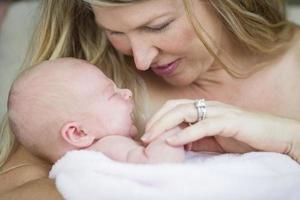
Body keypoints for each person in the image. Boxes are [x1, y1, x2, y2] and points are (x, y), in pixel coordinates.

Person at [0, 0, 300, 199]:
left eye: (157, 26)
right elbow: (16, 186)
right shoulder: (90, 75)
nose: (141, 61)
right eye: (114, 32)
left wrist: (288, 139)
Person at [8, 57, 184, 164]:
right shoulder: (106, 147)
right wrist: (173, 131)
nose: (127, 93)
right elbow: (160, 165)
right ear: (79, 133)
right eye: (112, 94)